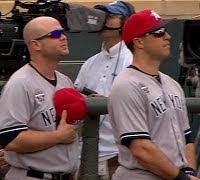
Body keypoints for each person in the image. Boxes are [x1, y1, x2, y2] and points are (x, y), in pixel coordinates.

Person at [108, 9, 198, 180]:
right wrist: (182, 178)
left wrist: (189, 173)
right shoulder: (126, 85)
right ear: (139, 42)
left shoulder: (172, 84)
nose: (168, 36)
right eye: (159, 32)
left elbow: (187, 138)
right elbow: (141, 148)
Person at [0, 16, 80, 180]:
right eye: (55, 34)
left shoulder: (64, 80)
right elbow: (11, 139)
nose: (63, 37)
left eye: (63, 32)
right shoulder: (20, 83)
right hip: (32, 175)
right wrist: (58, 136)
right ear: (35, 44)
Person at [74, 1, 134, 179]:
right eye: (101, 16)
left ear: (126, 22)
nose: (103, 21)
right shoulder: (90, 63)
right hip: (85, 152)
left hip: (119, 155)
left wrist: (107, 102)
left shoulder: (132, 60)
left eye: (110, 17)